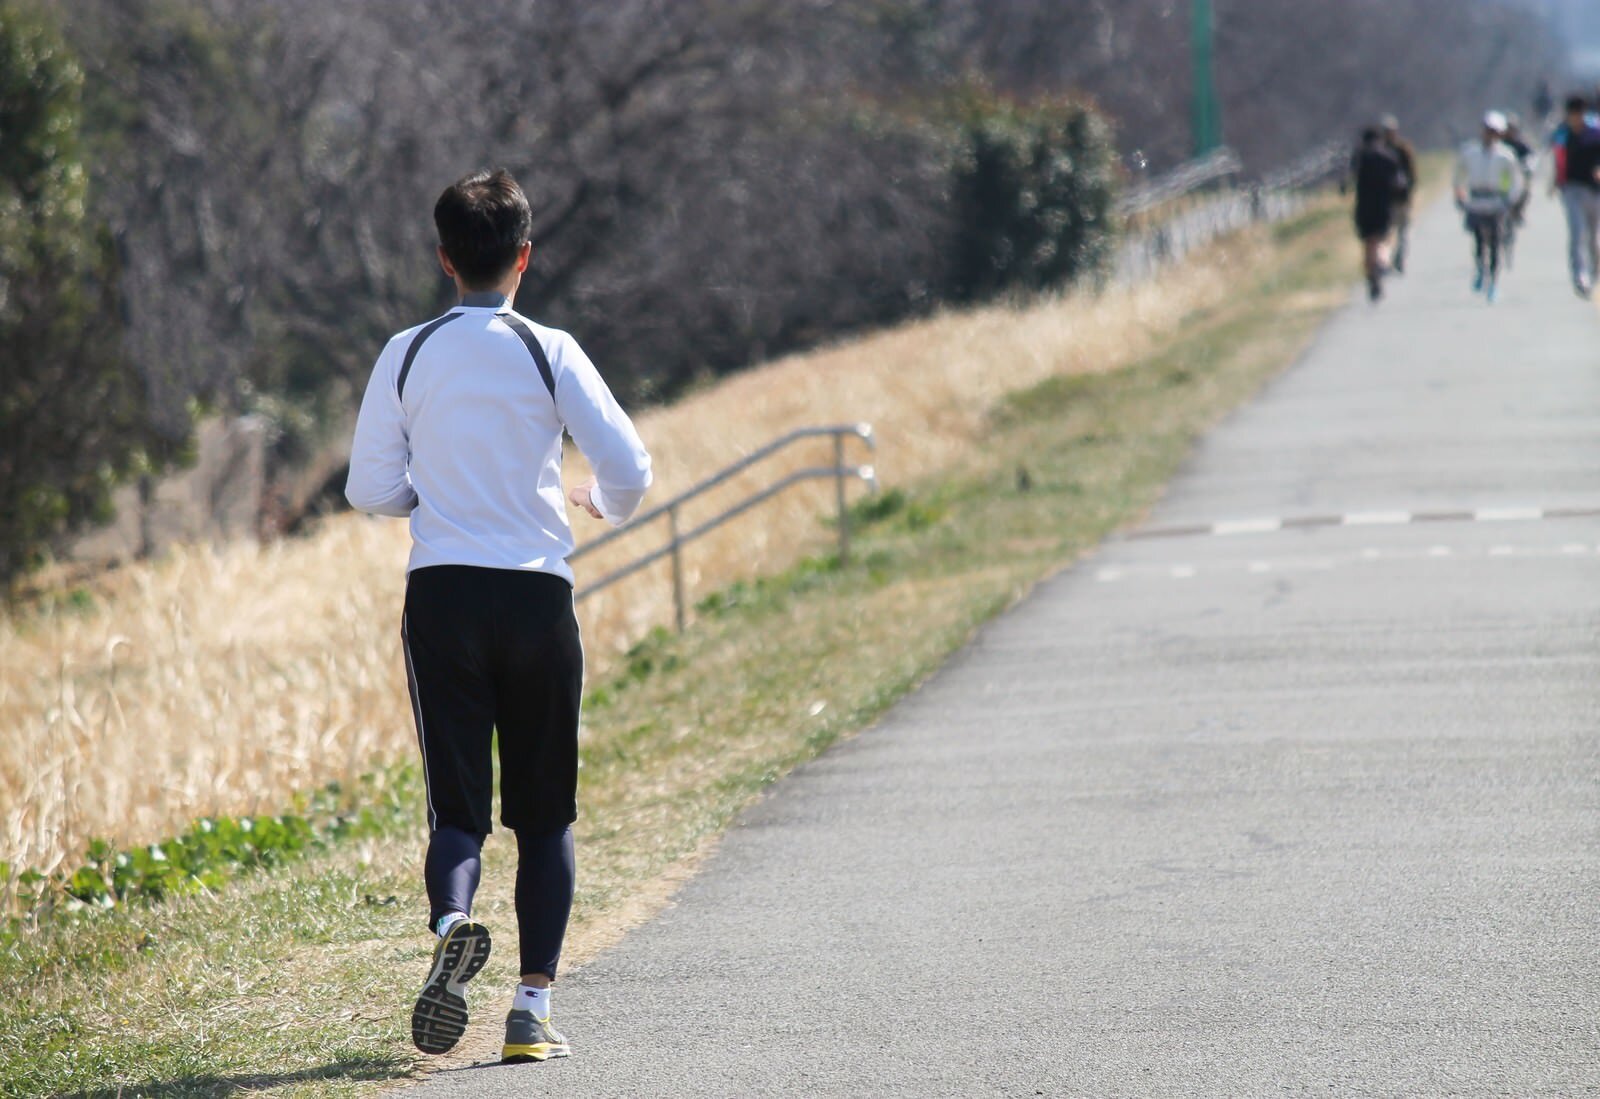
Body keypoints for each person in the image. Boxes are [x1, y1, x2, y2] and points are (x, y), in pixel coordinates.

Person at [345, 168, 653, 1062]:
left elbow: (369, 486)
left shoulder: (405, 350)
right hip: (535, 591)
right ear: (525, 256)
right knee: (546, 815)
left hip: (442, 592)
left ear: (445, 259)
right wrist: (598, 500)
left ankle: (451, 921)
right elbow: (629, 465)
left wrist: (429, 495)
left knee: (458, 809)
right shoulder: (546, 348)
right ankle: (529, 1010)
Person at [1453, 111, 1525, 303]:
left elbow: (1516, 180)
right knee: (1478, 241)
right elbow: (1459, 174)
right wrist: (1460, 194)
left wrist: (1510, 199)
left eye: (1493, 131)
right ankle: (1480, 270)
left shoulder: (1505, 156)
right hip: (1476, 201)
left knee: (1495, 243)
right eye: (1487, 130)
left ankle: (1493, 281)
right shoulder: (1470, 152)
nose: (1489, 135)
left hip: (1496, 202)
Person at [1550, 95, 1600, 297]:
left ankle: (1595, 272)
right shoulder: (1563, 135)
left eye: (1579, 114)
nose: (1576, 118)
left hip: (1595, 190)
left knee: (1594, 238)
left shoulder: (1595, 134)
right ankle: (1580, 275)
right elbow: (1559, 159)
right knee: (1577, 233)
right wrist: (1555, 180)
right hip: (1572, 189)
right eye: (1572, 114)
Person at [1352, 127, 1403, 302]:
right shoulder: (1388, 157)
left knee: (1368, 243)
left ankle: (1371, 272)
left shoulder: (1360, 157)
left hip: (1364, 207)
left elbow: (1350, 178)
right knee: (1383, 239)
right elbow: (1399, 183)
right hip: (1383, 206)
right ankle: (1381, 263)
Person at [1378, 114, 1417, 273]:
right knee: (1387, 233)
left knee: (1402, 232)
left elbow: (1412, 174)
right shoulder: (1380, 150)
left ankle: (1399, 258)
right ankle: (1386, 260)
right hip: (1386, 200)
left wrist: (1409, 193)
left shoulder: (1403, 149)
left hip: (1401, 199)